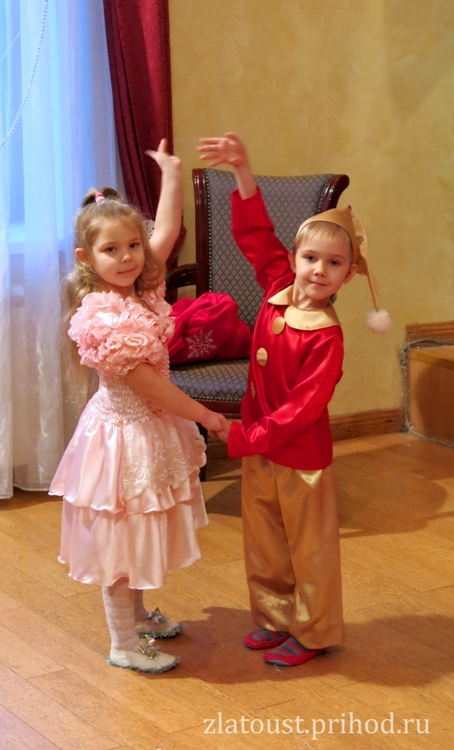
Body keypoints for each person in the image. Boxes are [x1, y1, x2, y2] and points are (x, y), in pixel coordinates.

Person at [198, 133, 390, 667]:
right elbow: (253, 233)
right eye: (310, 258)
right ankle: (274, 618)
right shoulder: (277, 285)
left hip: (299, 457)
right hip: (263, 448)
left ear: (349, 274)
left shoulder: (326, 337)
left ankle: (315, 630)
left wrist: (245, 436)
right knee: (263, 538)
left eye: (334, 263)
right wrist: (243, 170)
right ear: (293, 258)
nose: (318, 270)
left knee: (310, 548)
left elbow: (302, 411)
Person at [50, 140, 226, 674]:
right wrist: (206, 416)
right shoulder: (103, 316)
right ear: (87, 259)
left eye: (133, 245)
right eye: (112, 250)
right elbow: (151, 389)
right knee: (121, 540)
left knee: (140, 530)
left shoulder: (141, 290)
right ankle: (123, 643)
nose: (128, 256)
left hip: (148, 429)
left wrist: (171, 173)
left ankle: (140, 616)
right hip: (123, 436)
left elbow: (166, 232)